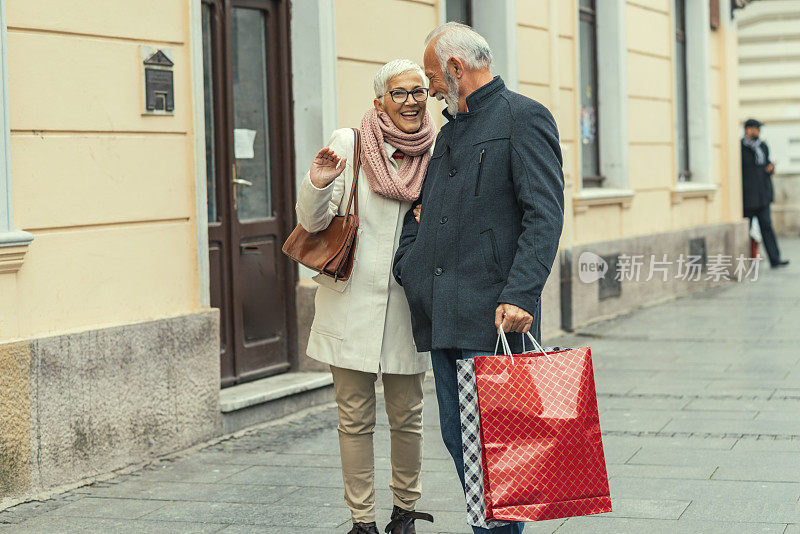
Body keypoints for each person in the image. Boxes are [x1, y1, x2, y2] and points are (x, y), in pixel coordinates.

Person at [392, 23, 565, 534]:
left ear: (455, 68)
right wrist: (410, 266)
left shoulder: (524, 117)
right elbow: (420, 212)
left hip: (494, 317)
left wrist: (521, 293)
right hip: (442, 314)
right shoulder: (449, 131)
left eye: (431, 77)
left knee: (499, 451)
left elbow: (544, 213)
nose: (429, 89)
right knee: (459, 440)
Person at [295, 59, 436, 534]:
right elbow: (313, 224)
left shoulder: (437, 151)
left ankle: (405, 511)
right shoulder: (350, 143)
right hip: (351, 300)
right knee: (353, 419)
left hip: (406, 305)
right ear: (380, 101)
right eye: (399, 93)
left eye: (418, 91)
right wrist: (316, 183)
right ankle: (362, 520)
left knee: (408, 417)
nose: (412, 101)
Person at [741, 118, 789, 268]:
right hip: (747, 199)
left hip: (763, 197)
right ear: (748, 129)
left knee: (767, 228)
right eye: (756, 128)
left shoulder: (762, 146)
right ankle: (746, 261)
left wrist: (771, 169)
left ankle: (775, 259)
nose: (759, 131)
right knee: (745, 231)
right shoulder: (740, 148)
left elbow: (766, 164)